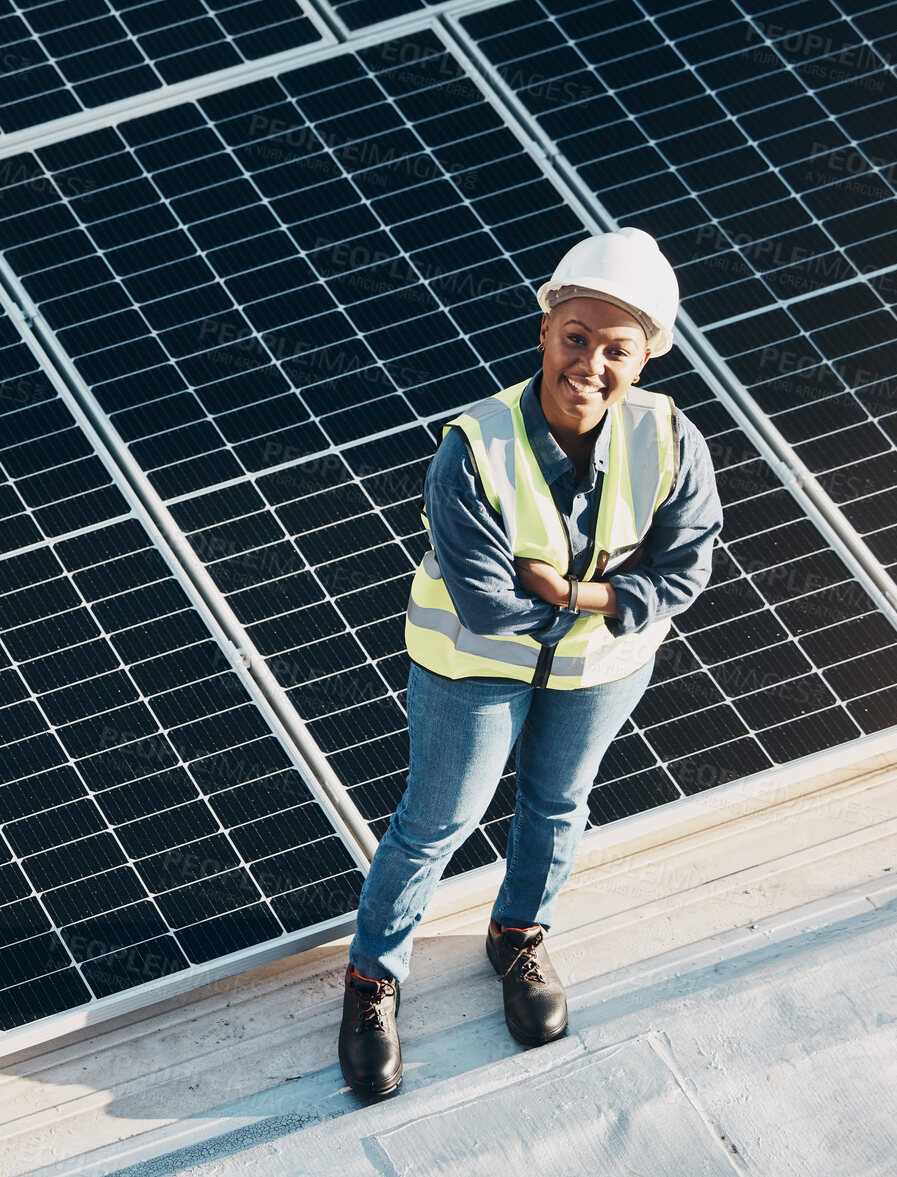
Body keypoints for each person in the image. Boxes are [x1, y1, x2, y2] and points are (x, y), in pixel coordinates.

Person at [337, 228, 724, 1097]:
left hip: (603, 669)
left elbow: (688, 569)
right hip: (470, 665)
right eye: (576, 336)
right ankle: (371, 978)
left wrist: (575, 595)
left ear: (646, 358)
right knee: (434, 824)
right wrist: (616, 594)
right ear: (545, 330)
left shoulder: (669, 438)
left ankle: (518, 935)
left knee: (557, 803)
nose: (591, 362)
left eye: (617, 348)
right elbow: (486, 606)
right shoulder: (471, 449)